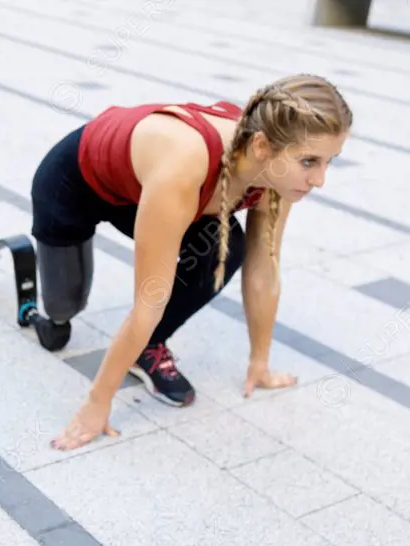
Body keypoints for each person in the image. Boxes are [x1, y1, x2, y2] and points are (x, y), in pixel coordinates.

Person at [28, 74, 353, 450]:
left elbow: (264, 270)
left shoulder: (274, 177)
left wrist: (259, 363)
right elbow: (148, 301)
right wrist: (96, 404)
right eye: (309, 161)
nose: (320, 179)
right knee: (63, 307)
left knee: (227, 249)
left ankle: (148, 350)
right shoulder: (184, 166)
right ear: (263, 145)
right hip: (73, 183)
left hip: (144, 187)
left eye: (329, 162)